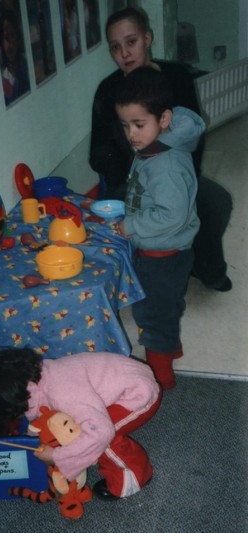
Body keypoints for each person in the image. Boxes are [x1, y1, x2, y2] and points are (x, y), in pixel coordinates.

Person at [89, 7, 233, 292]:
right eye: (115, 47)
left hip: (173, 172)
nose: (124, 53)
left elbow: (193, 136)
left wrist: (179, 177)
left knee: (215, 201)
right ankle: (140, 269)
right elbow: (97, 154)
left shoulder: (177, 77)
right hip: (131, 182)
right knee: (138, 212)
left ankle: (203, 267)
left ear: (147, 39)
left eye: (131, 42)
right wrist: (135, 170)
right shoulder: (108, 91)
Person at [0, 347, 161, 501]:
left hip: (137, 393)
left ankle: (135, 476)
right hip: (123, 377)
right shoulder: (37, 376)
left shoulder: (61, 392)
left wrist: (58, 457)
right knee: (81, 426)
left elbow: (101, 431)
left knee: (100, 436)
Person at [114, 66, 205, 389]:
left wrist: (132, 224)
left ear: (164, 119)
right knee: (167, 306)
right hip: (166, 250)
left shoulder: (165, 164)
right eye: (126, 125)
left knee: (152, 314)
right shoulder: (153, 146)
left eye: (139, 124)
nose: (131, 134)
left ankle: (159, 379)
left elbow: (171, 214)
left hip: (162, 254)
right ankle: (172, 347)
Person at [0, 2, 30, 106]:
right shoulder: (2, 79)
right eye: (7, 38)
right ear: (0, 41)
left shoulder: (25, 65)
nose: (11, 44)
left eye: (13, 36)